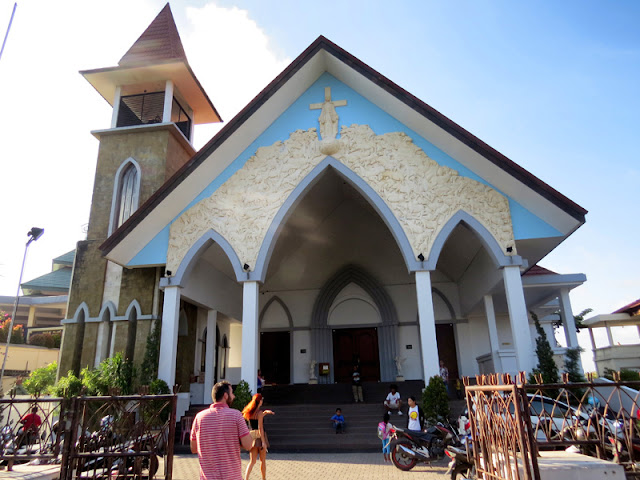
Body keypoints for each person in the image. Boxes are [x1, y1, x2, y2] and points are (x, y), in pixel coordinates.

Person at [191, 381, 252, 480]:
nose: (234, 396)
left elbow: (194, 448)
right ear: (225, 395)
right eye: (232, 393)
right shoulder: (236, 416)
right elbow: (248, 445)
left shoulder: (199, 417)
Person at [242, 393, 275, 480]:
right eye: (261, 400)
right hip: (260, 438)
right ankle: (263, 478)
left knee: (252, 461)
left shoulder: (249, 412)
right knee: (262, 461)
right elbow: (260, 428)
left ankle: (246, 478)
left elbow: (255, 420)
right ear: (260, 401)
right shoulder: (259, 413)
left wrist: (265, 412)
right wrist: (263, 442)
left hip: (252, 437)